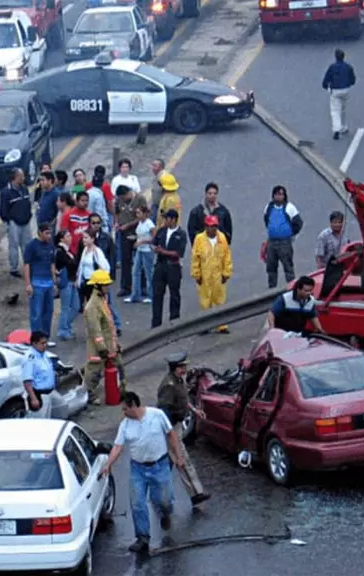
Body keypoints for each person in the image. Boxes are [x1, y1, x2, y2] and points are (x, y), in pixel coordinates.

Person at [98, 391, 186, 555]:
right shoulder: (125, 425)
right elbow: (118, 446)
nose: (123, 413)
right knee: (137, 503)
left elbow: (171, 435)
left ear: (133, 405)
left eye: (125, 409)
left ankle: (165, 513)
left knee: (164, 500)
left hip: (160, 466)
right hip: (138, 469)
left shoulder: (157, 415)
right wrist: (108, 464)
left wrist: (178, 456)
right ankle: (143, 537)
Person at [157, 353, 208, 505]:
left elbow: (183, 400)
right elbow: (164, 411)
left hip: (177, 425)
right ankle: (196, 494)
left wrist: (195, 410)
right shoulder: (168, 386)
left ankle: (161, 494)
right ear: (175, 368)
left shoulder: (179, 381)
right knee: (182, 460)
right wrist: (170, 433)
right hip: (171, 428)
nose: (185, 369)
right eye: (182, 366)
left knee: (169, 463)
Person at [83, 270, 124, 405]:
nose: (108, 287)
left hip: (109, 344)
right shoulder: (92, 306)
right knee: (94, 370)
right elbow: (96, 330)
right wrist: (102, 348)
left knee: (119, 367)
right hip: (99, 347)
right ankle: (88, 394)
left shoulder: (101, 300)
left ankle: (120, 391)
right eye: (105, 285)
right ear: (97, 286)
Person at [191, 215, 233, 333]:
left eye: (214, 226)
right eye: (210, 226)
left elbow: (227, 256)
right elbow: (195, 258)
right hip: (205, 274)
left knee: (219, 299)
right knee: (205, 301)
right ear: (206, 227)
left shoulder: (222, 238)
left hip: (218, 274)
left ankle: (222, 325)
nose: (212, 229)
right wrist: (196, 274)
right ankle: (205, 326)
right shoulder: (199, 239)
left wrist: (226, 273)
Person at [151, 209, 188, 328]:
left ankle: (174, 321)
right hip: (160, 265)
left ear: (173, 220)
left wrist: (163, 251)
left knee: (174, 295)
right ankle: (156, 323)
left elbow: (179, 253)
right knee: (157, 294)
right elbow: (154, 243)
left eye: (166, 218)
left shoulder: (181, 234)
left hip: (173, 267)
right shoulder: (161, 231)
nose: (164, 221)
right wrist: (155, 248)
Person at [263, 185, 303, 289]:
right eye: (276, 194)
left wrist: (290, 234)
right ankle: (271, 289)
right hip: (272, 243)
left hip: (285, 243)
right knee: (271, 268)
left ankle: (292, 288)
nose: (278, 196)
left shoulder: (289, 207)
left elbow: (298, 223)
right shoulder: (269, 207)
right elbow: (266, 220)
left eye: (281, 194)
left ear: (284, 196)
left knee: (288, 267)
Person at [24, 223, 58, 339]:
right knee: (36, 313)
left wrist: (54, 283)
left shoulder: (51, 246)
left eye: (50, 233)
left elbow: (52, 264)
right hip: (37, 284)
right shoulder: (31, 246)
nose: (49, 236)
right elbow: (27, 265)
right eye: (46, 233)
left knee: (48, 312)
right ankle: (36, 339)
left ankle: (45, 338)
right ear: (39, 233)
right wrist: (28, 284)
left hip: (48, 284)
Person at [0, 168, 34, 278]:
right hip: (14, 223)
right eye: (21, 176)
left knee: (27, 246)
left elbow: (28, 203)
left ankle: (28, 266)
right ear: (15, 177)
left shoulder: (24, 189)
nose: (23, 178)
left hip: (26, 222)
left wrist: (28, 216)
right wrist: (9, 221)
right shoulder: (6, 192)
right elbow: (3, 210)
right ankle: (13, 269)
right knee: (13, 247)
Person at [115, 184, 148, 297]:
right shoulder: (119, 200)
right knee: (125, 260)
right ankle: (125, 287)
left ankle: (144, 286)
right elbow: (117, 211)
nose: (122, 200)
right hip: (124, 233)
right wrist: (117, 222)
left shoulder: (140, 199)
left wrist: (128, 225)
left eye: (124, 197)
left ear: (129, 193)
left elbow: (143, 216)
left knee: (141, 259)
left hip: (138, 232)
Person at [321, 48, 356, 140]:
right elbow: (353, 80)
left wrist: (326, 86)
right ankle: (343, 127)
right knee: (343, 109)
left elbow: (326, 80)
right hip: (345, 90)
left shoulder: (332, 67)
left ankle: (336, 129)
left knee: (335, 110)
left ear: (335, 57)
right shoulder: (348, 67)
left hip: (335, 91)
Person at [22, 330, 56, 418]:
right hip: (39, 395)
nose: (45, 346)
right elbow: (27, 380)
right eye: (42, 343)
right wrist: (33, 398)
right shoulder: (30, 358)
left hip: (49, 393)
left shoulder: (44, 355)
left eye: (46, 343)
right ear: (34, 343)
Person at [127, 204, 155, 304]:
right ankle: (135, 295)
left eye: (139, 213)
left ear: (144, 214)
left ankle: (152, 295)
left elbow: (154, 238)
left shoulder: (149, 224)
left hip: (147, 251)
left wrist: (142, 242)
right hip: (139, 250)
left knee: (149, 274)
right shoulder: (140, 223)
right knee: (135, 272)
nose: (137, 215)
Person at [54, 229, 80, 341]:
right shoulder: (59, 252)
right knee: (65, 307)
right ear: (62, 239)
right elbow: (66, 265)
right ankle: (63, 330)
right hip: (66, 282)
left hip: (73, 281)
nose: (70, 237)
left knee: (76, 307)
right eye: (68, 236)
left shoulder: (69, 251)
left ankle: (65, 326)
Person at [76, 231, 110, 305]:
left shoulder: (97, 252)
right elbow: (81, 266)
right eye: (83, 238)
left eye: (86, 238)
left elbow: (106, 267)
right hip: (86, 282)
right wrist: (78, 280)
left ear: (92, 239)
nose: (83, 239)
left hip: (95, 284)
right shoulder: (85, 250)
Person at [60, 190, 92, 255]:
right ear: (76, 201)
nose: (85, 203)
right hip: (72, 250)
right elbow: (63, 233)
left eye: (86, 200)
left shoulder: (90, 215)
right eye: (82, 200)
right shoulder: (68, 215)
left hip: (86, 250)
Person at [86, 166, 111, 234]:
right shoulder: (98, 196)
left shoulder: (88, 192)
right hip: (99, 227)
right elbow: (99, 213)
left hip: (89, 223)